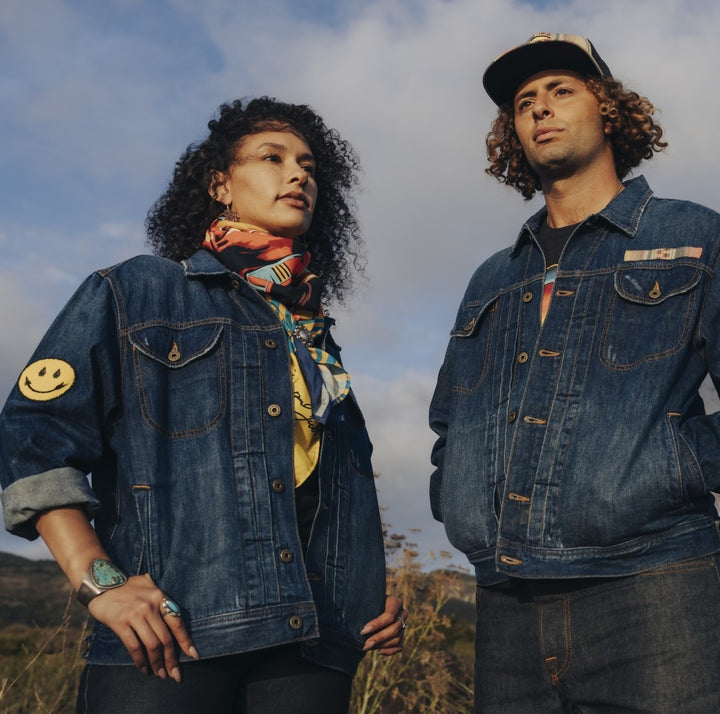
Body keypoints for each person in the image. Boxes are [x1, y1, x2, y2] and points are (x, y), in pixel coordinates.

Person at [0, 96, 406, 714]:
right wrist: (99, 583)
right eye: (273, 158)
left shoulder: (311, 336)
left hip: (315, 641)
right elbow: (34, 432)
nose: (299, 174)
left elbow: (327, 489)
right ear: (220, 183)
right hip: (172, 635)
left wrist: (365, 588)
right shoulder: (139, 289)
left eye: (309, 166)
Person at [430, 32, 720, 713]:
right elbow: (450, 423)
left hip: (656, 588)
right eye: (524, 102)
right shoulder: (491, 278)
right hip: (506, 602)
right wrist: (462, 500)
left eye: (561, 90)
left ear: (609, 110)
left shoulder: (693, 236)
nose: (540, 109)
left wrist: (678, 467)